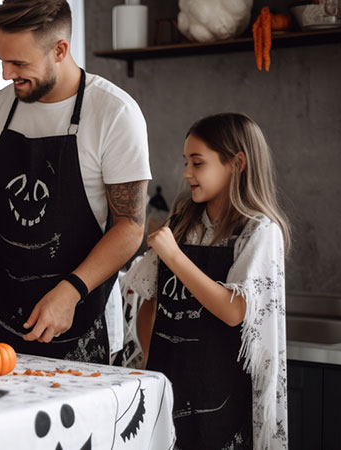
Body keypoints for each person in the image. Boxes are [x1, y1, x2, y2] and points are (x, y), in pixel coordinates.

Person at [0, 0, 150, 364]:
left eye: (18, 63)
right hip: (1, 326)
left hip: (82, 323)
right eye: (1, 60)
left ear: (60, 50)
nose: (5, 74)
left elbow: (130, 227)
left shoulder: (114, 113)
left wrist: (71, 291)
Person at [126, 113, 290, 449]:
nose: (186, 173)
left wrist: (173, 256)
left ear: (236, 163)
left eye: (197, 163)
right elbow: (149, 299)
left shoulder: (259, 232)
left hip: (222, 399)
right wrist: (149, 362)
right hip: (169, 387)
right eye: (186, 162)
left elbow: (234, 311)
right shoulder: (184, 222)